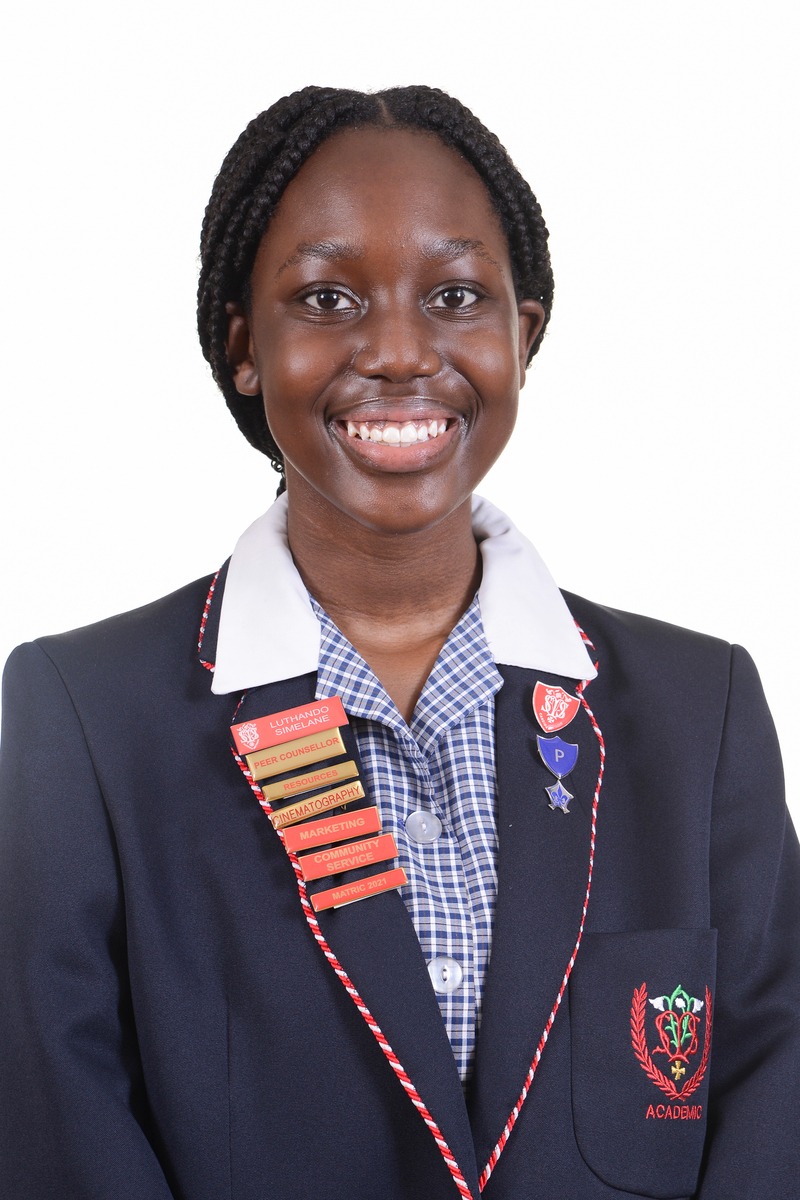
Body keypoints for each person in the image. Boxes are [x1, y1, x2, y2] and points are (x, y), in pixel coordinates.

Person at [0, 85, 797, 1200]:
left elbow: (772, 1101)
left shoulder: (698, 710)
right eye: (326, 297)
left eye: (455, 295)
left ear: (522, 336)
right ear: (244, 345)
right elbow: (58, 1125)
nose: (398, 350)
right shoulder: (83, 719)